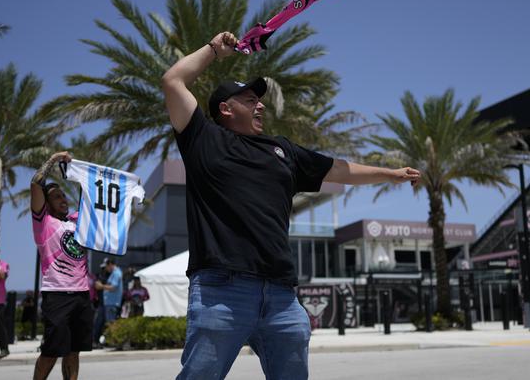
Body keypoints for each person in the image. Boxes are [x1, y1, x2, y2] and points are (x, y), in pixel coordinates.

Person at [161, 31, 421, 380]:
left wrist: (388, 174)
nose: (261, 105)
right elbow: (173, 79)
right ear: (225, 108)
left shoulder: (281, 151)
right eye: (251, 98)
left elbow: (338, 169)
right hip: (221, 291)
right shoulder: (203, 140)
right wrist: (212, 50)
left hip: (281, 297)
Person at [30, 151, 93, 380]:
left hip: (82, 294)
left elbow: (95, 201)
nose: (63, 199)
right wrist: (54, 159)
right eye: (56, 196)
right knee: (51, 351)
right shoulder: (44, 223)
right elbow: (36, 184)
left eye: (63, 195)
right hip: (57, 295)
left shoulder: (77, 220)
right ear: (46, 203)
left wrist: (82, 173)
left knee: (74, 351)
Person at [98, 259, 122, 324]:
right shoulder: (114, 273)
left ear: (110, 264)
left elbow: (113, 287)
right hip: (110, 303)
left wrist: (101, 286)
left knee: (110, 324)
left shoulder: (116, 273)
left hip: (112, 303)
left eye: (106, 267)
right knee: (109, 324)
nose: (105, 269)